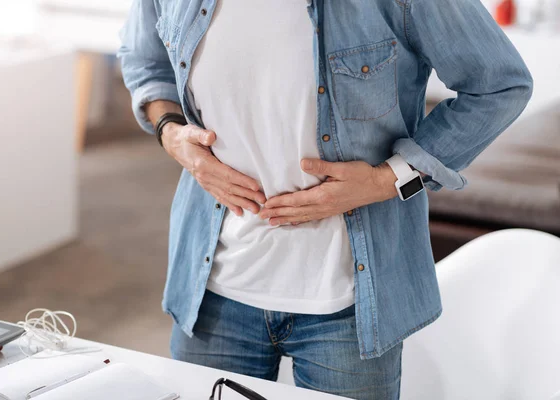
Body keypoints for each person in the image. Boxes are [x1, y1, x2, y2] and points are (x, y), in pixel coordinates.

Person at [118, 1, 532, 398]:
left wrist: (386, 181)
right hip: (212, 292)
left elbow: (499, 85)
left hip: (350, 308)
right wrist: (172, 134)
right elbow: (146, 62)